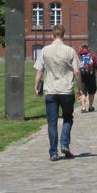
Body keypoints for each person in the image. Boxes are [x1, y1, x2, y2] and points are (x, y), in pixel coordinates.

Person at [34, 24, 84, 161]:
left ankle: (53, 152)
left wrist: (36, 85)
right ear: (64, 35)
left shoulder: (44, 50)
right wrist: (80, 89)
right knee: (68, 118)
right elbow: (77, 72)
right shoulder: (70, 51)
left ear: (52, 35)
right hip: (66, 90)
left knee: (52, 122)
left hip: (50, 90)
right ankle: (65, 144)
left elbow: (39, 71)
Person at [77, 44, 97, 113]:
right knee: (91, 92)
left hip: (82, 77)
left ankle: (83, 107)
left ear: (81, 48)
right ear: (88, 48)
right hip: (91, 76)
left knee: (83, 93)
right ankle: (90, 107)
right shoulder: (92, 56)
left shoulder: (79, 56)